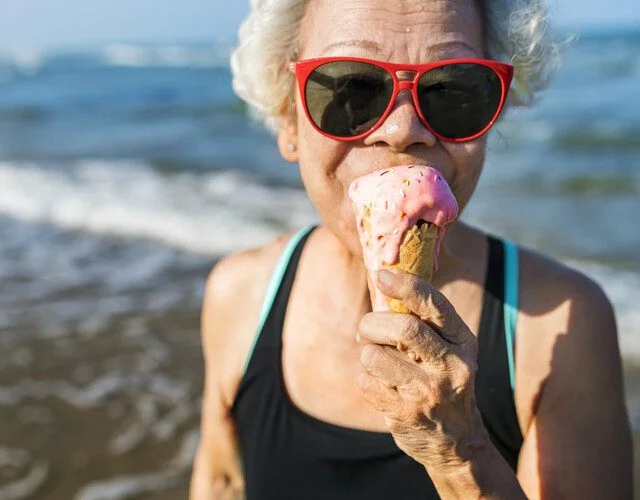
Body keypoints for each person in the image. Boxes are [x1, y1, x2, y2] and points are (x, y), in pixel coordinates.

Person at [190, 0, 633, 498]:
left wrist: (460, 453)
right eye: (352, 87)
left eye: (452, 89)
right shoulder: (240, 295)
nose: (403, 130)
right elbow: (221, 480)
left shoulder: (562, 324)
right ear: (288, 118)